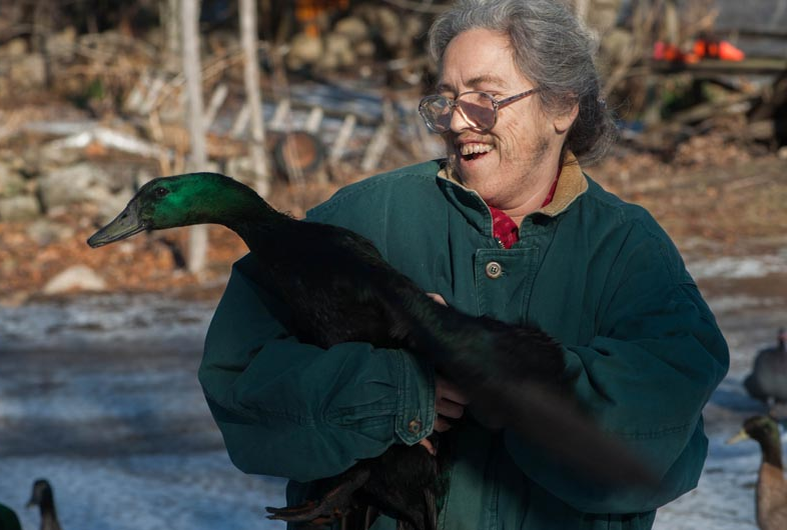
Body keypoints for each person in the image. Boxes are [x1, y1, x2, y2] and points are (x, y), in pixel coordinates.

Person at [198, 0, 729, 528]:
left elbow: (661, 434)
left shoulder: (626, 248)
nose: (456, 121)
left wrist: (498, 372)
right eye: (447, 99)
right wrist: (393, 392)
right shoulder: (360, 218)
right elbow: (240, 375)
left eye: (485, 98)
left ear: (561, 107)